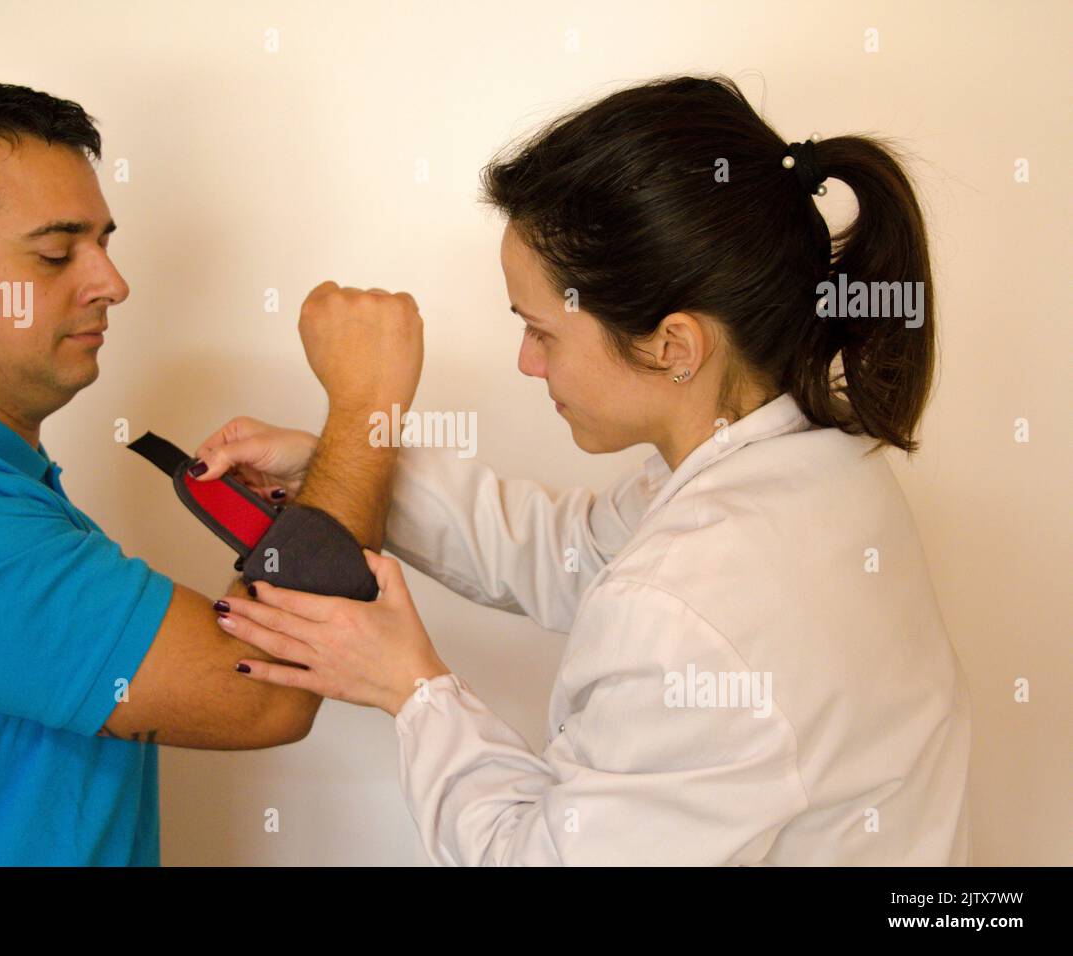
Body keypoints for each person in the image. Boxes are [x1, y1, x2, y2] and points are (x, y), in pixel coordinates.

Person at [197, 75, 972, 865]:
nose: (526, 363)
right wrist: (340, 454)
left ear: (674, 345)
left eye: (543, 333)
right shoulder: (815, 462)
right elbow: (567, 550)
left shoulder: (692, 604)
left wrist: (413, 689)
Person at [0, 80, 424, 865]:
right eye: (55, 252)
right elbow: (265, 696)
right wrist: (366, 405)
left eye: (103, 243)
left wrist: (317, 488)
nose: (111, 284)